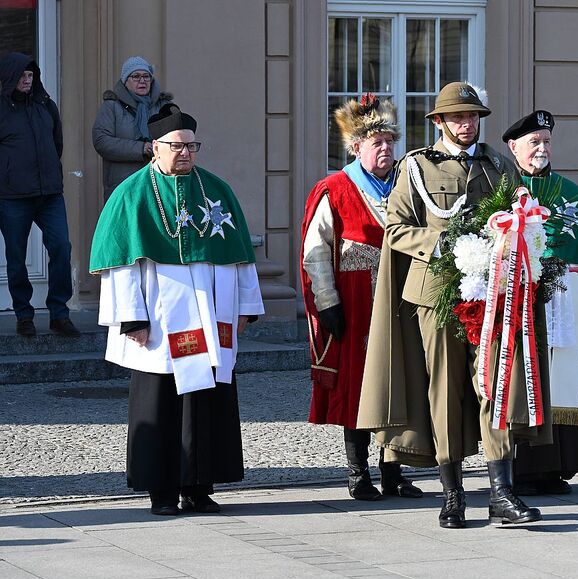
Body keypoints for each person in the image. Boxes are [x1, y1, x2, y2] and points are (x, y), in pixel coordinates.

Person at [357, 82, 549, 529]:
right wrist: (445, 242)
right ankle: (453, 494)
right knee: (445, 392)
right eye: (458, 117)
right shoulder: (418, 167)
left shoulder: (498, 166)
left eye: (474, 117)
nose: (468, 124)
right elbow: (395, 230)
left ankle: (502, 493)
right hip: (436, 296)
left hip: (493, 294)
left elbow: (519, 220)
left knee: (496, 387)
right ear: (440, 122)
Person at [89, 105, 264, 515]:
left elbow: (240, 256)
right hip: (159, 320)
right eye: (177, 147)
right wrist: (132, 316)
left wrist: (245, 306)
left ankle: (200, 486)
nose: (185, 153)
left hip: (211, 313)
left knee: (208, 404)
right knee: (162, 405)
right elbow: (118, 263)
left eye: (191, 146)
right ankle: (163, 491)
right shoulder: (131, 194)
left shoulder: (216, 191)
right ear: (155, 148)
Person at [299, 93, 421, 501]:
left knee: (399, 382)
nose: (386, 149)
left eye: (390, 141)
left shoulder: (407, 185)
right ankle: (357, 472)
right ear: (356, 147)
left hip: (401, 300)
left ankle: (394, 471)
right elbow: (316, 251)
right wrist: (327, 301)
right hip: (356, 303)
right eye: (377, 143)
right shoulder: (334, 188)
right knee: (359, 387)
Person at [502, 110, 578, 494]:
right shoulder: (502, 190)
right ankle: (521, 470)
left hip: (566, 299)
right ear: (514, 147)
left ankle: (557, 467)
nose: (542, 149)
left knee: (562, 379)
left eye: (547, 142)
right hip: (518, 298)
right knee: (523, 378)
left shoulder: (571, 192)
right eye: (535, 142)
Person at [0, 52, 78, 338]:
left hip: (50, 195)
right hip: (12, 197)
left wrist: (49, 175)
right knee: (16, 258)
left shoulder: (46, 105)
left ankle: (59, 313)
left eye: (31, 75)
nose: (27, 79)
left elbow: (56, 143)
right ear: (9, 77)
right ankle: (23, 315)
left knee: (61, 247)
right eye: (22, 75)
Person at [92, 56, 174, 201]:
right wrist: (141, 148)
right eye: (136, 76)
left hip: (158, 181)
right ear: (125, 81)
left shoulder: (162, 105)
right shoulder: (112, 107)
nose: (142, 81)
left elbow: (175, 137)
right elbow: (102, 141)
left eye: (146, 76)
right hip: (123, 184)